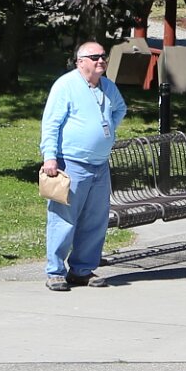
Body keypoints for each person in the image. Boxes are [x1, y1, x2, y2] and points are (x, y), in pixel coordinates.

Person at [39, 41, 127, 292]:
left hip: (100, 165)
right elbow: (51, 123)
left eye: (103, 56)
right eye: (95, 57)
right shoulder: (65, 85)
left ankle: (82, 270)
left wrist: (107, 130)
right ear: (80, 62)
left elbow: (120, 109)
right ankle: (55, 272)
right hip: (71, 164)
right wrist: (50, 157)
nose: (101, 60)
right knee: (63, 219)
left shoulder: (108, 87)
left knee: (95, 220)